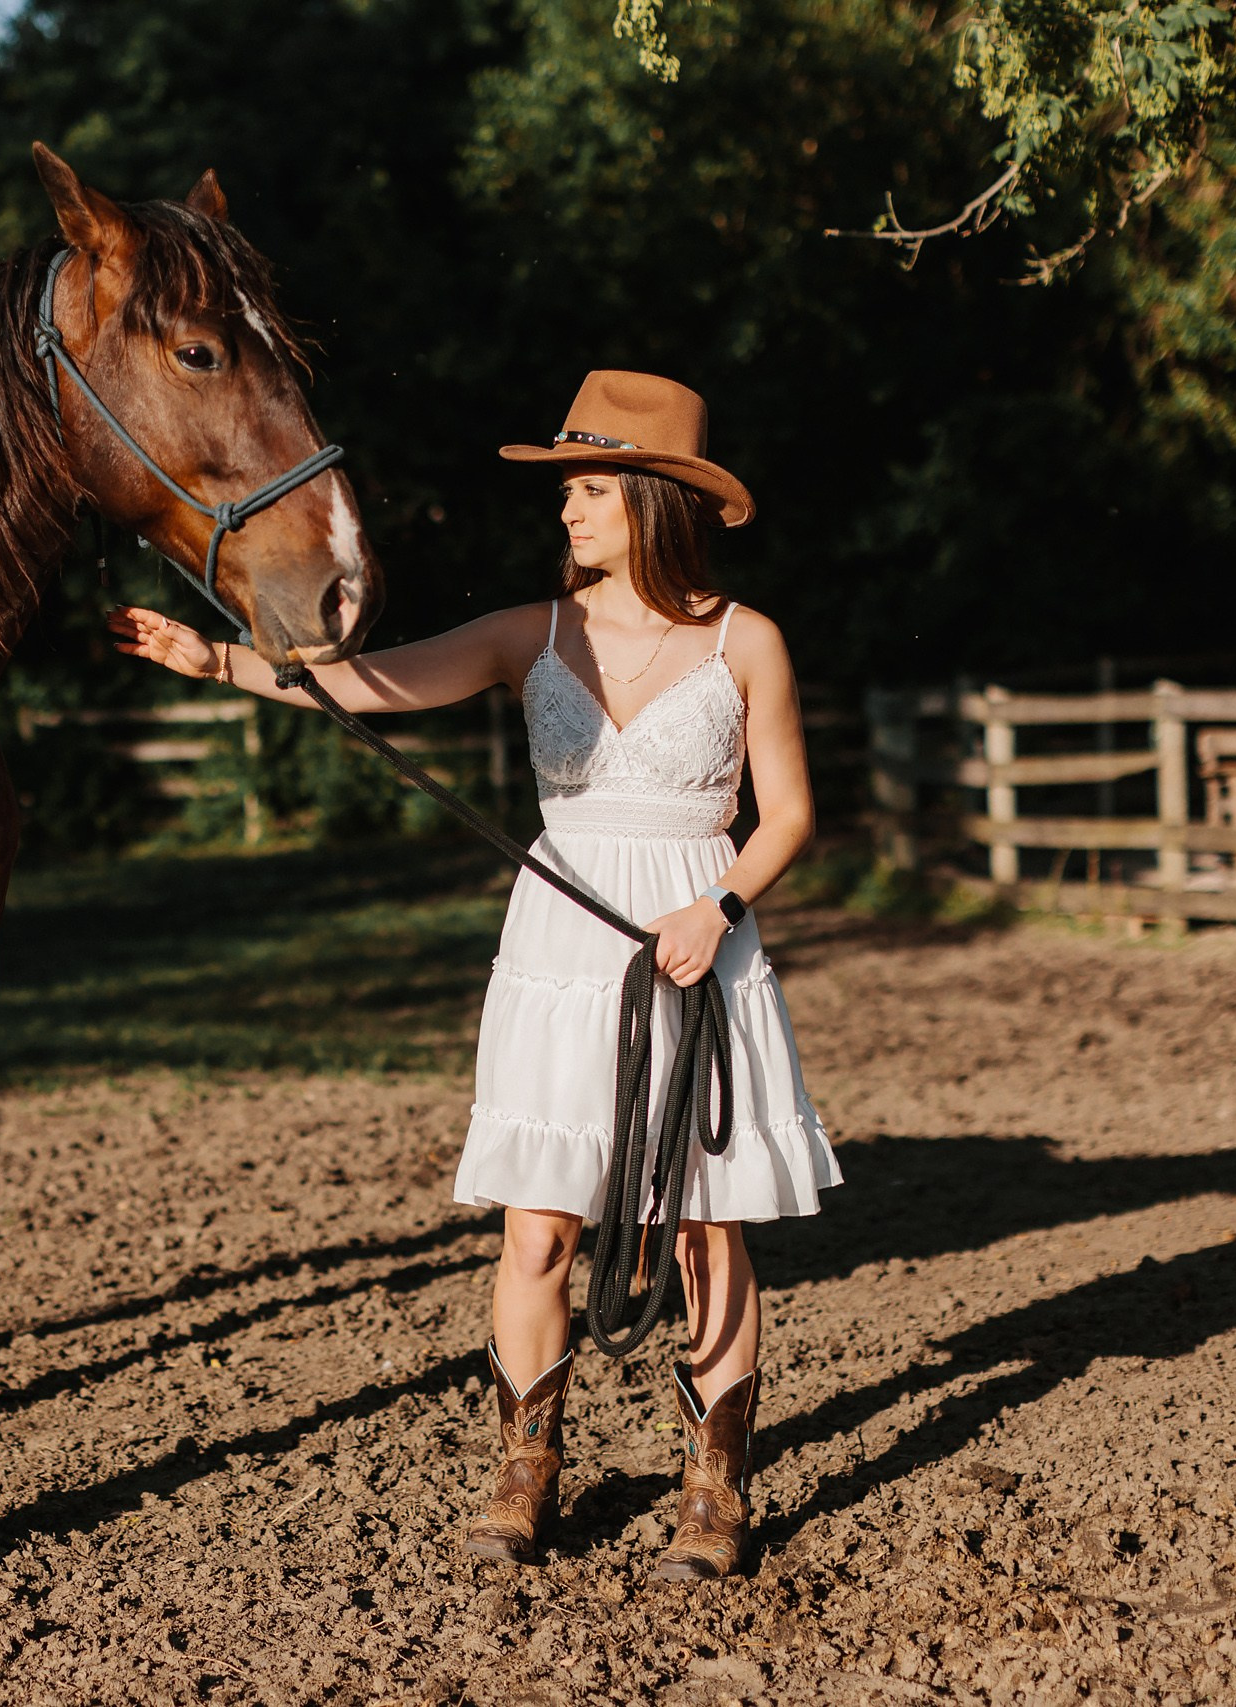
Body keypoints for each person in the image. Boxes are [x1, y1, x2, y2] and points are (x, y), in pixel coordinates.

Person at [106, 370, 840, 1579]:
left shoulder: (745, 639)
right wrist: (219, 661)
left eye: (590, 490)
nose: (568, 511)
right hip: (561, 945)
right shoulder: (527, 632)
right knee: (538, 1230)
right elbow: (367, 683)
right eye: (568, 492)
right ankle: (525, 1470)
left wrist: (717, 908)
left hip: (695, 942)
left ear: (653, 499)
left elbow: (790, 815)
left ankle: (712, 1488)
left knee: (706, 1232)